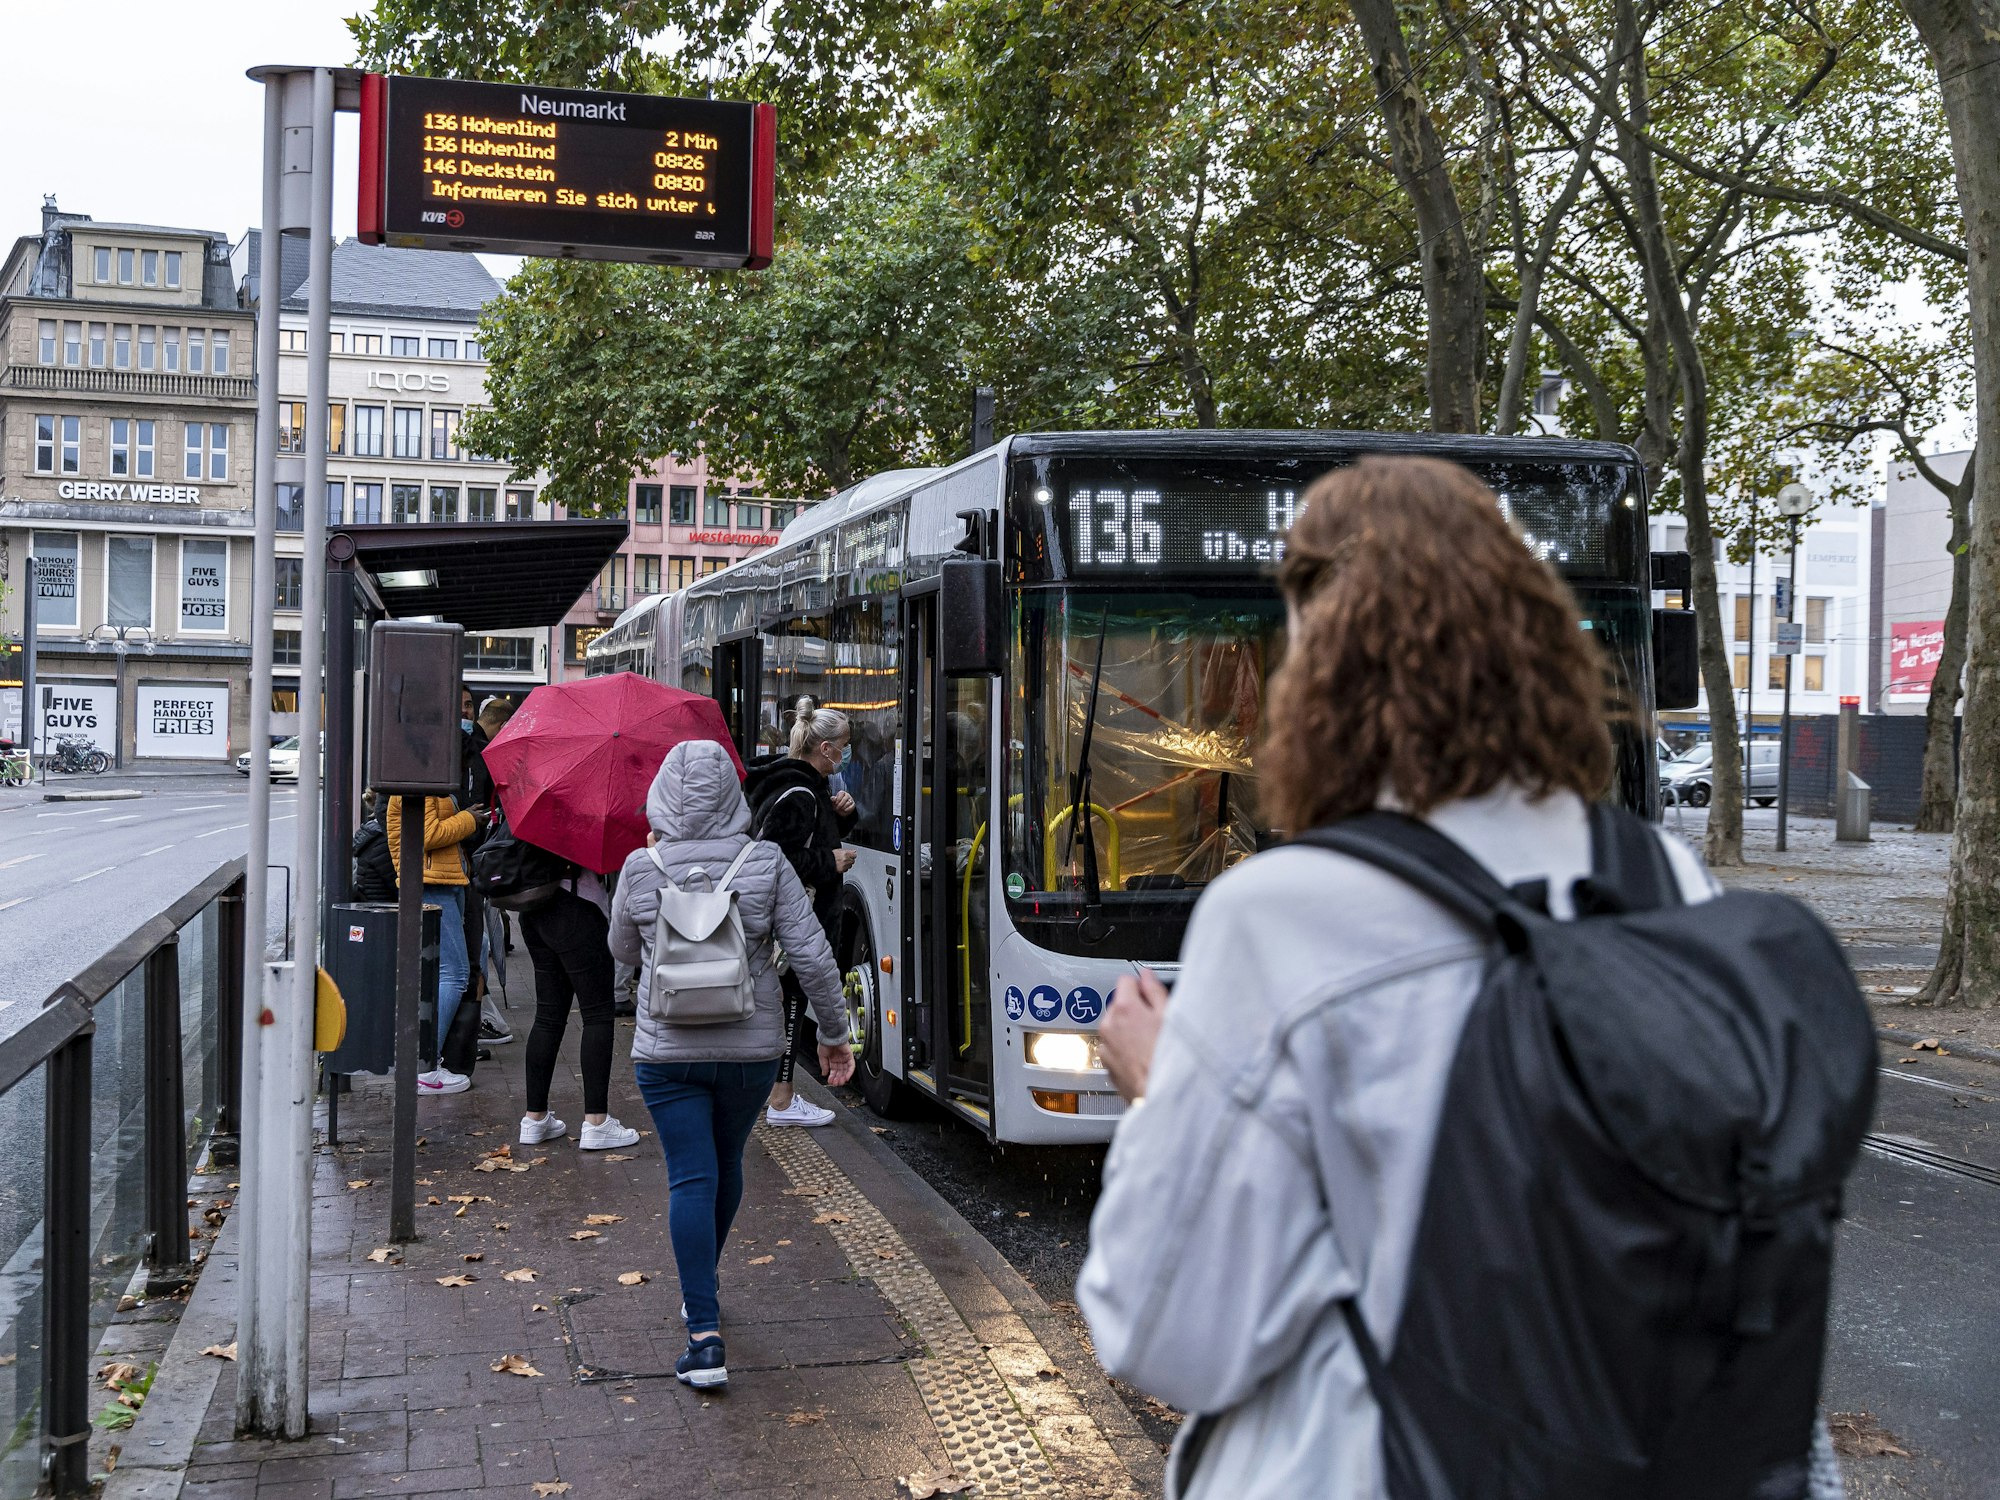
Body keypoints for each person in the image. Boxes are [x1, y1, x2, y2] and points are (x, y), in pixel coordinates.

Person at [1075, 456, 1725, 1499]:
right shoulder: (1666, 884)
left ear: (1316, 660)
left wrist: (1158, 1095)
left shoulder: (1282, 914)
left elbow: (1168, 1335)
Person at [609, 740, 853, 1391]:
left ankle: (703, 1332)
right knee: (726, 1165)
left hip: (666, 1056)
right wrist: (834, 1033)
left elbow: (622, 951)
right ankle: (702, 1288)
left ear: (662, 795)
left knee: (691, 1177)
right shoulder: (766, 861)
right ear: (731, 797)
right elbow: (814, 958)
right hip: (750, 1054)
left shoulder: (640, 864)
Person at [742, 698, 857, 1128]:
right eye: (842, 747)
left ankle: (778, 1095)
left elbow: (808, 839)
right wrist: (832, 862)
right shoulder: (802, 793)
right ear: (825, 748)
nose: (845, 755)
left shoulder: (796, 784)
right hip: (797, 923)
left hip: (792, 921)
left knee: (785, 1005)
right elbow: (778, 857)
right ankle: (783, 1100)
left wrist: (842, 816)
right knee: (791, 1006)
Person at [517, 857, 641, 1150]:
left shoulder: (536, 812)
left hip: (534, 906)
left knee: (548, 1016)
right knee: (598, 1014)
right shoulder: (585, 811)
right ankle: (597, 1122)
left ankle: (534, 1119)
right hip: (578, 905)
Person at [385, 790, 483, 1095]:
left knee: (444, 973)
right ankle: (424, 1067)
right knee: (454, 974)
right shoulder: (419, 782)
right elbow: (427, 834)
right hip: (432, 883)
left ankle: (423, 1062)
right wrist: (470, 819)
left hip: (443, 880)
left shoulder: (425, 779)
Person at [350, 790, 397, 902]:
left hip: (375, 905)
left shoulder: (372, 832)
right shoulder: (381, 840)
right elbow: (399, 885)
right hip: (384, 909)